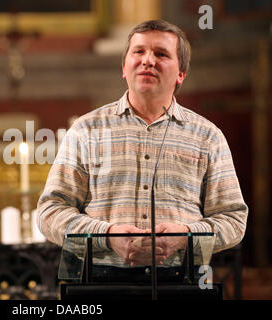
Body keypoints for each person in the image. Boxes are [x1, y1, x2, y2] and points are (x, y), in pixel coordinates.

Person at [36, 20, 248, 269]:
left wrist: (184, 236)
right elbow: (50, 212)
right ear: (124, 68)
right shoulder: (85, 131)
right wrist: (107, 236)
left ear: (181, 74)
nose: (148, 60)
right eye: (139, 51)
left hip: (181, 283)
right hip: (100, 283)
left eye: (161, 54)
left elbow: (233, 220)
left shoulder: (208, 136)